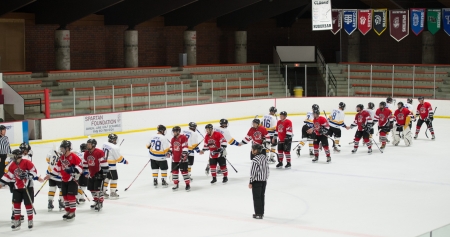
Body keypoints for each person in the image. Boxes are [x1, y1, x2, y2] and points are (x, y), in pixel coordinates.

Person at [0, 149, 42, 230]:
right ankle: (17, 220)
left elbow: (34, 172)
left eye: (13, 156)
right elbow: (8, 176)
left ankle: (30, 220)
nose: (12, 157)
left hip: (27, 187)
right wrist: (1, 183)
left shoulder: (27, 162)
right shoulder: (12, 165)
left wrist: (27, 174)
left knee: (28, 204)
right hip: (17, 187)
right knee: (16, 204)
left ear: (17, 156)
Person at [44, 140, 82, 221]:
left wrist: (73, 169)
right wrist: (50, 175)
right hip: (63, 179)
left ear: (67, 148)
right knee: (65, 196)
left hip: (72, 179)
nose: (61, 150)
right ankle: (67, 211)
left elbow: (80, 166)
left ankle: (72, 212)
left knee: (70, 196)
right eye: (61, 148)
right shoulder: (61, 158)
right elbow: (57, 168)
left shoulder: (74, 156)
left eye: (63, 148)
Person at [84, 139, 108, 211]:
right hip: (91, 173)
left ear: (93, 145)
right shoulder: (86, 153)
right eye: (87, 144)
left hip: (98, 172)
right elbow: (85, 162)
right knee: (92, 189)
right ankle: (96, 200)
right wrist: (85, 171)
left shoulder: (99, 152)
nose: (87, 145)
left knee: (98, 189)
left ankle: (100, 202)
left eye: (89, 144)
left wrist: (104, 172)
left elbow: (104, 162)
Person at [102, 133, 128, 199]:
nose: (116, 141)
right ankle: (113, 192)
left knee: (107, 178)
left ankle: (103, 192)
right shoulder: (115, 147)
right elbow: (118, 158)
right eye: (115, 139)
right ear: (113, 140)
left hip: (103, 164)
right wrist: (124, 161)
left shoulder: (104, 144)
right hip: (111, 166)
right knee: (114, 178)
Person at [249, 144, 269, 220]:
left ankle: (258, 213)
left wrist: (251, 182)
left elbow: (253, 172)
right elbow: (267, 170)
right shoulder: (264, 157)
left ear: (256, 150)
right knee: (261, 196)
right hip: (264, 181)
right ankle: (261, 212)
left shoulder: (255, 159)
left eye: (253, 149)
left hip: (257, 181)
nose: (252, 151)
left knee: (256, 197)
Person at [170, 126, 190, 191]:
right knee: (174, 172)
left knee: (184, 172)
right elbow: (171, 147)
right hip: (174, 159)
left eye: (175, 131)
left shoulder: (183, 137)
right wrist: (169, 152)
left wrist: (184, 154)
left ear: (178, 131)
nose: (174, 133)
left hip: (182, 159)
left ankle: (187, 184)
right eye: (173, 131)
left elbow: (185, 146)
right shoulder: (173, 139)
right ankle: (176, 184)